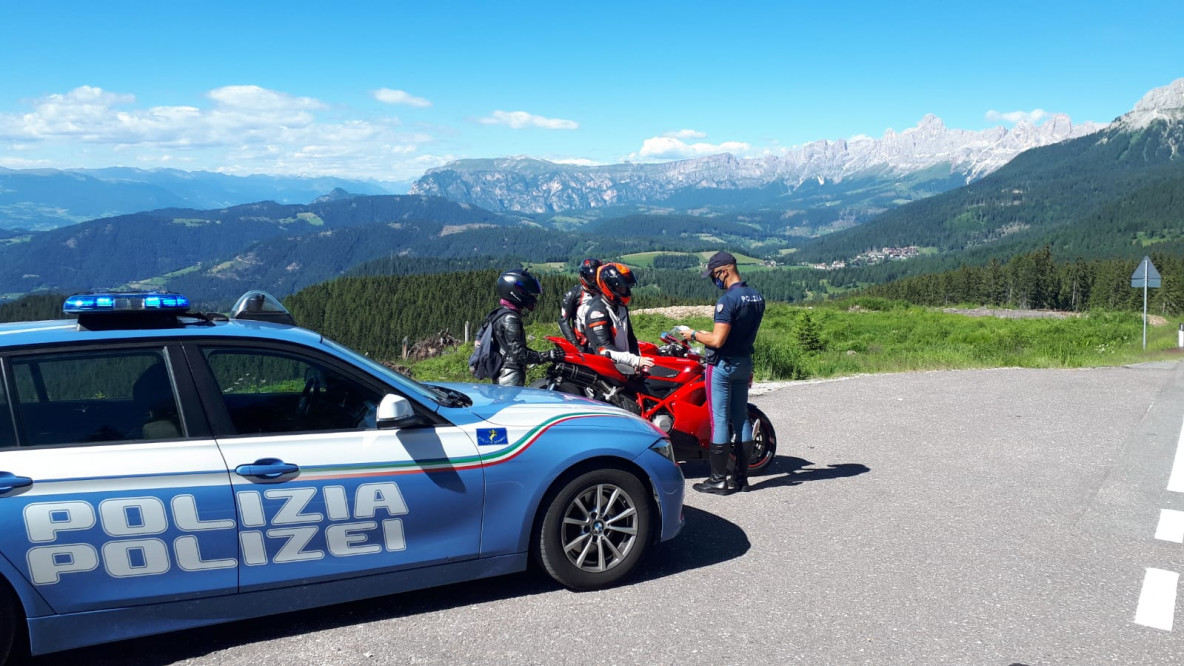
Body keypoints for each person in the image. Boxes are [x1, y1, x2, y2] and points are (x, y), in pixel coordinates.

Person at [679, 251, 765, 494]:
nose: (714, 280)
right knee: (741, 420)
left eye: (714, 275)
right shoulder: (756, 297)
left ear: (724, 271)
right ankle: (741, 479)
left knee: (719, 422)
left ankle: (718, 480)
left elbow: (717, 340)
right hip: (744, 362)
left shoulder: (727, 301)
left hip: (723, 366)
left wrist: (694, 334)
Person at [491, 268, 562, 386]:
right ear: (515, 293)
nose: (531, 297)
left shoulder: (502, 313)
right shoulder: (510, 319)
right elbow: (518, 353)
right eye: (527, 293)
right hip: (510, 374)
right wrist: (546, 355)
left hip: (504, 371)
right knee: (510, 404)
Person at [580, 263, 654, 374]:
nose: (625, 291)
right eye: (621, 288)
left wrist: (638, 361)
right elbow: (603, 349)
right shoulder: (597, 312)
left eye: (626, 287)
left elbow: (631, 338)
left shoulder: (620, 307)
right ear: (609, 287)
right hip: (605, 368)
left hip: (623, 363)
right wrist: (635, 360)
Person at [558, 257, 601, 347]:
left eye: (596, 276)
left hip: (603, 338)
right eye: (591, 277)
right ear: (584, 276)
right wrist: (575, 344)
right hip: (583, 342)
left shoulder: (603, 292)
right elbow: (563, 321)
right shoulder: (572, 294)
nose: (594, 280)